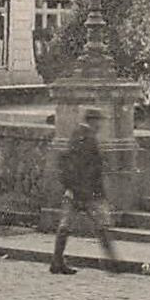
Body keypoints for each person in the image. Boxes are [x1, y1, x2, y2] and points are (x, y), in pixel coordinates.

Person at [49, 108, 121, 275]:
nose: (101, 125)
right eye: (99, 121)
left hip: (77, 190)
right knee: (101, 225)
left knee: (65, 226)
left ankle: (57, 261)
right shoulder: (87, 138)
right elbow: (83, 168)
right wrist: (82, 190)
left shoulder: (78, 135)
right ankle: (113, 263)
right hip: (86, 192)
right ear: (93, 121)